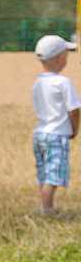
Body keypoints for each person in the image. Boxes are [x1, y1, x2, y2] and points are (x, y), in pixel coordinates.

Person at [31, 35, 80, 216]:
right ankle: (46, 209)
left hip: (40, 133)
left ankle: (44, 205)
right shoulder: (63, 82)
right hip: (57, 135)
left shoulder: (38, 83)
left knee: (44, 173)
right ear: (61, 58)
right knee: (54, 175)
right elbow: (74, 110)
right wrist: (74, 129)